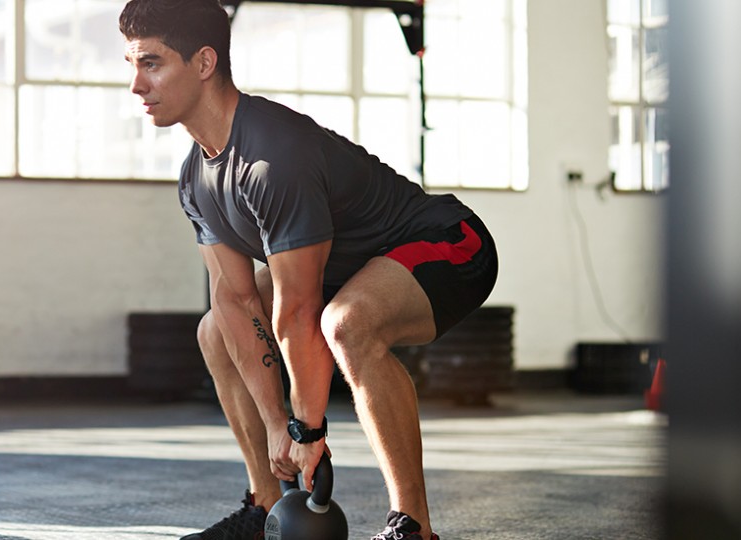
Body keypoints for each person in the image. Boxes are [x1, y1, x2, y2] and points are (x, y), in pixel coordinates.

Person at [120, 1, 497, 539]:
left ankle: (412, 527)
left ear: (204, 63)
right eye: (131, 64)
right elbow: (234, 300)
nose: (136, 84)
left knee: (345, 322)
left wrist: (307, 428)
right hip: (350, 270)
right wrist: (278, 428)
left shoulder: (273, 157)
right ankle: (265, 508)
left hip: (449, 243)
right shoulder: (196, 179)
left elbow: (298, 309)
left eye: (151, 63)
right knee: (214, 331)